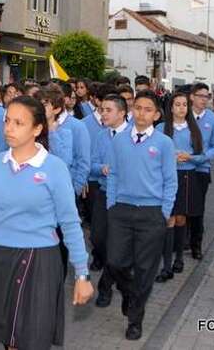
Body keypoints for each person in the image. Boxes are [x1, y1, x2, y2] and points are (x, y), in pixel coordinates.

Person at [0, 96, 94, 350]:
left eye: (18, 123)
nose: (9, 128)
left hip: (38, 261)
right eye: (7, 121)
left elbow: (70, 223)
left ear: (37, 129)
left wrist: (82, 273)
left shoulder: (54, 168)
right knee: (8, 338)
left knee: (30, 338)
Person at [106, 90, 177, 340]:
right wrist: (111, 205)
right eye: (138, 108)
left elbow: (170, 181)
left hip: (152, 213)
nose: (142, 113)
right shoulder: (119, 140)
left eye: (148, 110)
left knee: (145, 269)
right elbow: (113, 174)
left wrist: (164, 212)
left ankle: (135, 320)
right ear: (131, 110)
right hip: (121, 210)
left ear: (156, 115)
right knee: (115, 262)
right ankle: (129, 293)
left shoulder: (164, 143)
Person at [156, 92, 206, 283]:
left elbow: (202, 156)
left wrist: (189, 157)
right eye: (177, 104)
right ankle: (167, 266)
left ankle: (179, 258)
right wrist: (169, 157)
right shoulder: (161, 128)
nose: (181, 108)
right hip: (166, 177)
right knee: (168, 218)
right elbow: (154, 152)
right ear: (170, 107)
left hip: (187, 176)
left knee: (180, 218)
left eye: (184, 104)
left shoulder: (193, 129)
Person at [87, 94, 129, 301]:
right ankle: (119, 277)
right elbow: (91, 164)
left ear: (121, 113)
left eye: (108, 110)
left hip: (125, 197)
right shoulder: (101, 136)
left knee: (118, 244)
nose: (103, 114)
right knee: (97, 237)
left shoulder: (134, 135)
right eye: (102, 109)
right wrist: (101, 168)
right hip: (104, 193)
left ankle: (105, 286)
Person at [187, 82, 214, 260]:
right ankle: (180, 242)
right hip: (181, 167)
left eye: (206, 96)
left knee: (197, 209)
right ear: (192, 97)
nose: (204, 100)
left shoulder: (212, 119)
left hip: (201, 169)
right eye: (200, 96)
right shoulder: (183, 115)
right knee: (180, 208)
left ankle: (196, 245)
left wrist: (203, 157)